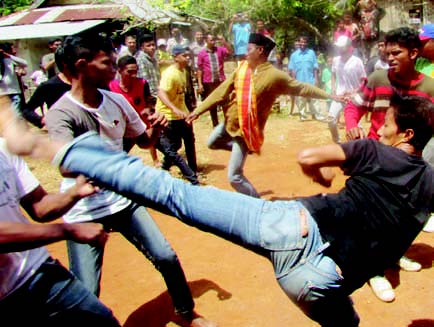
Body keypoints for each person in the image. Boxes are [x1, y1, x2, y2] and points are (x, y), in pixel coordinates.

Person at [5, 92, 434, 327]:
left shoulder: (373, 151)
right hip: (321, 284)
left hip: (293, 227)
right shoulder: (430, 185)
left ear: (406, 132)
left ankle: (57, 148)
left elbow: (308, 158)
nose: (381, 126)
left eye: (389, 122)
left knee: (173, 194)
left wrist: (325, 179)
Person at [44, 35, 214, 327]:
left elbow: (143, 140)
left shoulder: (116, 101)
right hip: (84, 207)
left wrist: (155, 131)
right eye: (107, 62)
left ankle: (185, 312)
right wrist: (117, 165)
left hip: (121, 198)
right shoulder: (62, 112)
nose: (115, 68)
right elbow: (67, 166)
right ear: (83, 66)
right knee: (87, 290)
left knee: (166, 257)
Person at [0, 113, 120, 326]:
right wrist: (66, 231)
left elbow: (40, 207)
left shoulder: (4, 150)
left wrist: (75, 192)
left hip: (40, 272)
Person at [187, 33, 333, 197]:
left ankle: (257, 202)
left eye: (249, 49)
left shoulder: (274, 76)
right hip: (229, 124)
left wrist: (330, 96)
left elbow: (302, 88)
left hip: (245, 131)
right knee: (212, 143)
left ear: (260, 50)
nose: (245, 53)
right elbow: (221, 92)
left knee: (234, 177)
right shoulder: (242, 69)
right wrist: (198, 111)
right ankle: (244, 150)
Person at [156, 45, 199, 185]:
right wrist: (174, 109)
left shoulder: (183, 71)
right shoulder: (170, 74)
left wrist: (188, 111)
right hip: (168, 115)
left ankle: (193, 169)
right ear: (175, 57)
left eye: (188, 56)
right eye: (184, 56)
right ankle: (166, 168)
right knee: (175, 145)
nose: (187, 58)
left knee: (189, 140)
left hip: (182, 112)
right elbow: (161, 92)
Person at [109, 55, 160, 167]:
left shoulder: (142, 83)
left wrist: (148, 108)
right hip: (123, 130)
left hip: (141, 126)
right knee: (116, 158)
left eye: (135, 72)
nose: (133, 75)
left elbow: (149, 100)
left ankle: (189, 174)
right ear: (119, 71)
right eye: (129, 72)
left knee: (167, 148)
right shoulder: (110, 87)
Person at [328, 36, 366, 144]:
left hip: (353, 97)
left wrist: (354, 92)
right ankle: (337, 142)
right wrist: (333, 90)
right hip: (339, 95)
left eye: (342, 47)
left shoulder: (357, 61)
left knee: (356, 124)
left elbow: (364, 79)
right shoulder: (336, 60)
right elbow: (333, 75)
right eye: (338, 47)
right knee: (331, 119)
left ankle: (362, 144)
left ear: (349, 47)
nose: (339, 50)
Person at [21, 46, 71, 129]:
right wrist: (41, 120)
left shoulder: (90, 82)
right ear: (64, 63)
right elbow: (27, 110)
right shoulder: (49, 86)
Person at [416, 23, 434, 233]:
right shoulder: (419, 63)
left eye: (423, 43)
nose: (419, 46)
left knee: (428, 165)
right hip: (421, 124)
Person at [197, 34, 231, 127]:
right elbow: (199, 69)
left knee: (225, 103)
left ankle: (228, 125)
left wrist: (223, 40)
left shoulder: (220, 50)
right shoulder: (201, 53)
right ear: (206, 41)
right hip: (209, 83)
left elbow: (230, 51)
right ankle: (215, 125)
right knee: (212, 105)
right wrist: (200, 84)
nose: (213, 42)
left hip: (220, 81)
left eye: (214, 40)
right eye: (211, 40)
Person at [288, 36, 325, 121]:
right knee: (301, 99)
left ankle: (317, 115)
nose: (303, 44)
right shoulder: (294, 55)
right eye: (301, 42)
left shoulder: (311, 53)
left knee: (314, 98)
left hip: (310, 80)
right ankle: (303, 116)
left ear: (307, 43)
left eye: (304, 42)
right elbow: (292, 69)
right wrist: (294, 81)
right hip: (299, 81)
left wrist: (316, 79)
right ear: (299, 42)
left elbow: (315, 67)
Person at [0, 43, 27, 117]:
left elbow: (24, 63)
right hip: (2, 94)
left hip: (14, 92)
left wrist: (7, 55)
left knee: (15, 116)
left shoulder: (10, 59)